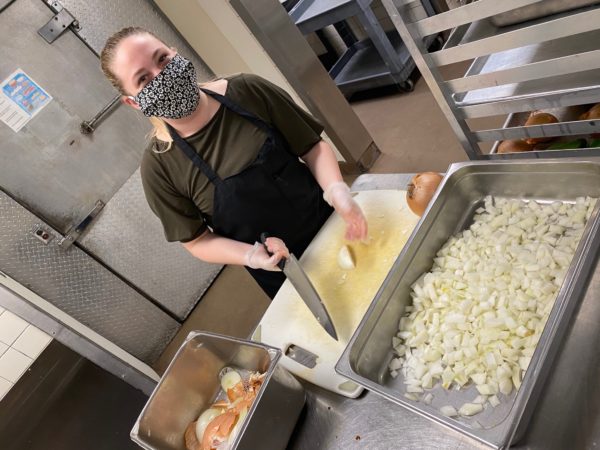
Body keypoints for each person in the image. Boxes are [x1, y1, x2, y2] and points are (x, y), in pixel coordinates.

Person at [100, 27, 368, 299]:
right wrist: (252, 256)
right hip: (284, 273)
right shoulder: (160, 169)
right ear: (134, 103)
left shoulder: (248, 90)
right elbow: (197, 241)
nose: (162, 76)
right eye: (144, 79)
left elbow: (311, 147)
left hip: (335, 227)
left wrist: (336, 191)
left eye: (162, 59)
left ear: (175, 53)